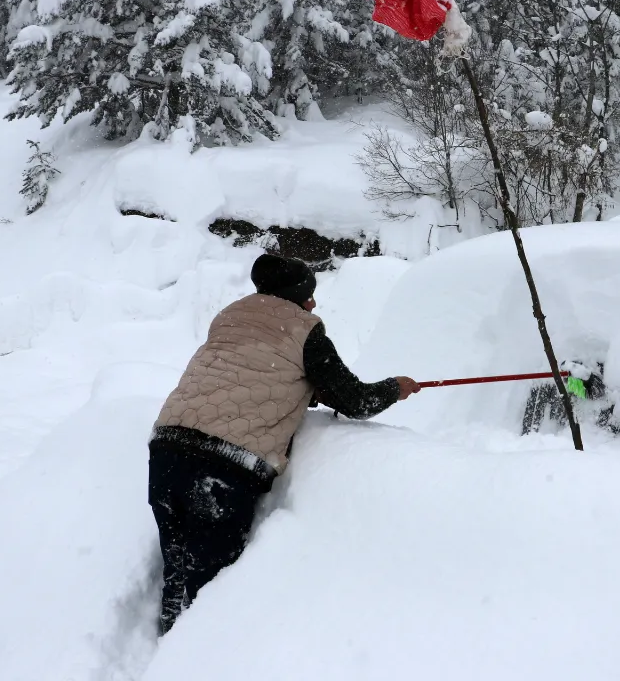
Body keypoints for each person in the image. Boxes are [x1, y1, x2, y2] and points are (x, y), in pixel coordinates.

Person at [148, 253, 420, 635]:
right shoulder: (305, 330)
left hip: (166, 448)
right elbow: (354, 400)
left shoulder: (230, 315)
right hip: (223, 463)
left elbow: (248, 371)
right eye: (309, 295)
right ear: (294, 295)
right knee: (209, 590)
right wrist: (395, 388)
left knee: (178, 571)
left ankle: (167, 640)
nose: (313, 303)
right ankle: (193, 657)